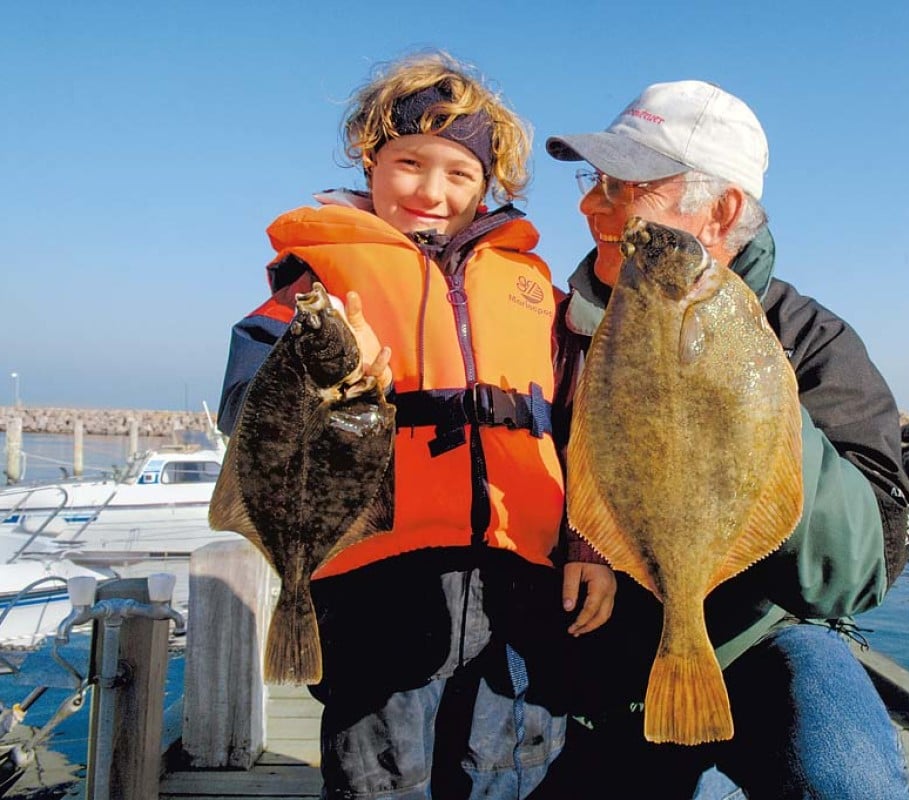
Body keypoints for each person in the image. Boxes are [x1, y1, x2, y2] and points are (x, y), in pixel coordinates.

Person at [216, 52, 615, 799]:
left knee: (509, 774)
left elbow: (581, 430)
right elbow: (243, 405)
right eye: (409, 163)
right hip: (373, 582)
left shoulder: (535, 290)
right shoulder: (317, 284)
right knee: (380, 779)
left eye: (459, 173)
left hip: (519, 591)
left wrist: (587, 543)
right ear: (371, 158)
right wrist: (322, 374)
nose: (432, 191)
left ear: (487, 185)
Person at [536, 80, 909, 798]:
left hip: (767, 637)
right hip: (594, 648)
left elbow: (855, 574)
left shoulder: (810, 341)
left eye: (625, 188)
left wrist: (751, 389)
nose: (590, 205)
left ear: (721, 211)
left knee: (850, 782)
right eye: (596, 182)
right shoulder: (550, 331)